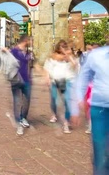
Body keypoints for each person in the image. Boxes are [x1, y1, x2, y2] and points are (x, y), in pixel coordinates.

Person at [73, 36, 109, 175]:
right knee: (101, 152)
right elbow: (83, 77)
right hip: (100, 109)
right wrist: (78, 102)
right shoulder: (96, 55)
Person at [43, 40, 79, 134]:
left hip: (66, 81)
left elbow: (75, 66)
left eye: (64, 46)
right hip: (55, 81)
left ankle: (66, 122)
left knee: (67, 101)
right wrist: (47, 78)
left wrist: (69, 57)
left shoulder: (69, 56)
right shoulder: (53, 57)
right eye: (61, 47)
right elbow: (47, 67)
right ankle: (54, 114)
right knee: (54, 99)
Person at [9, 35, 34, 136]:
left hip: (27, 80)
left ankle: (23, 117)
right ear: (26, 41)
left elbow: (32, 65)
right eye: (30, 41)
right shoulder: (14, 52)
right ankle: (18, 121)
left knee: (27, 100)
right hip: (16, 80)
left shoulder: (29, 52)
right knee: (17, 100)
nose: (31, 42)